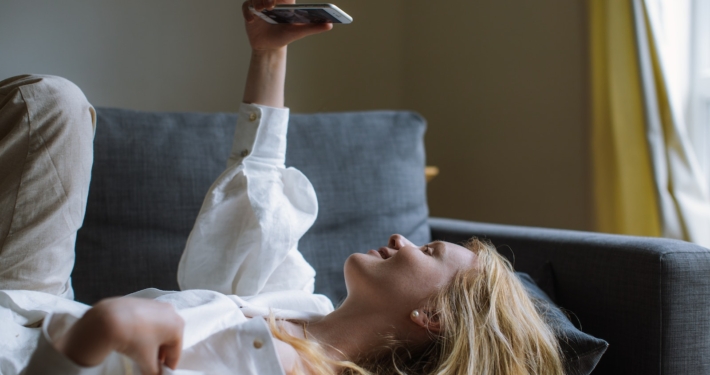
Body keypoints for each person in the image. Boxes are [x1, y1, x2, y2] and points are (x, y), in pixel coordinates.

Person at [0, 0, 565, 374]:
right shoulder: (297, 299)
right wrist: (269, 52)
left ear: (434, 317)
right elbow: (256, 200)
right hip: (31, 304)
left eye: (431, 250)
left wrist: (100, 332)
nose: (405, 236)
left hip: (26, 357)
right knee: (50, 103)